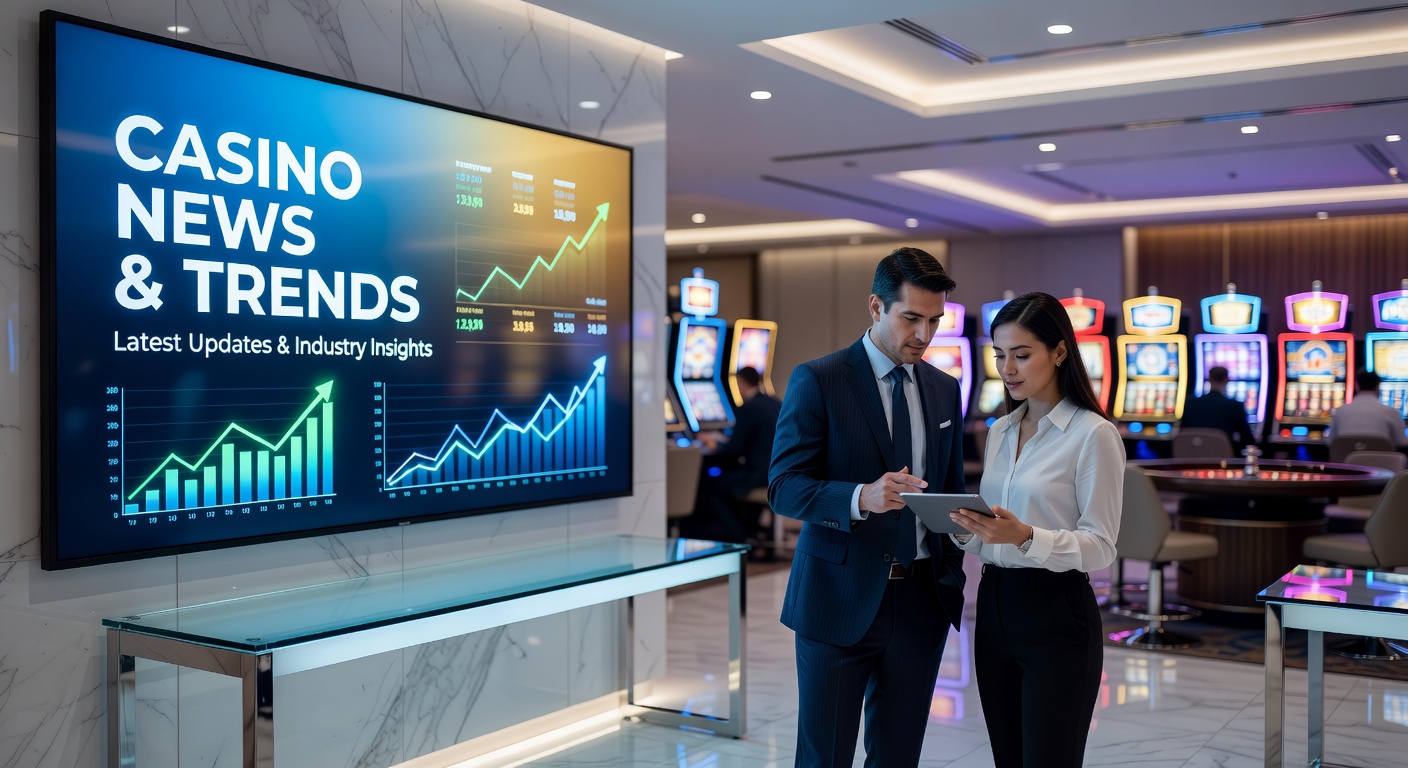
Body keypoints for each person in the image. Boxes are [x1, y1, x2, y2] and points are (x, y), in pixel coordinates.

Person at [769, 247, 967, 768]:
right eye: (911, 319)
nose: (924, 336)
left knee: (899, 755)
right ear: (876, 308)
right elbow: (784, 486)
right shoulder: (819, 379)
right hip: (838, 597)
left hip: (923, 599)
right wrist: (860, 497)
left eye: (934, 321)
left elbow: (948, 487)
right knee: (824, 756)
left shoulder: (945, 390)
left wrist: (967, 531)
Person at [948, 291, 1124, 768]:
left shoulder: (1093, 434)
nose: (1008, 369)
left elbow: (1102, 545)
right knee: (1008, 757)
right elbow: (992, 531)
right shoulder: (1000, 430)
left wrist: (1026, 537)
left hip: (1058, 613)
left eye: (1022, 355)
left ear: (1060, 351)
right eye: (1000, 355)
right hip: (993, 607)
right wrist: (963, 528)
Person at [689, 366, 782, 543]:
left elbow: (734, 449)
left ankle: (739, 537)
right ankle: (751, 530)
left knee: (712, 488)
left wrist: (712, 442)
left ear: (741, 383)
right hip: (775, 472)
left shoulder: (749, 407)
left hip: (759, 474)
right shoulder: (775, 402)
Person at [1181, 365, 1254, 452]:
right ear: (1227, 380)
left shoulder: (1190, 404)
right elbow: (1248, 440)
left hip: (1193, 458)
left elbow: (1182, 433)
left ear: (1208, 379)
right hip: (1223, 460)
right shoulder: (1235, 406)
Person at [1329, 369, 1408, 448]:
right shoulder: (1391, 412)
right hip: (1380, 460)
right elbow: (1402, 442)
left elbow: (1330, 442)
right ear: (1378, 386)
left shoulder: (1340, 412)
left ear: (1357, 386)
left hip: (1345, 459)